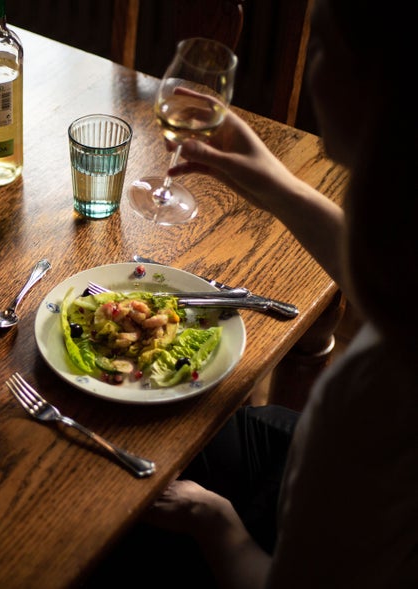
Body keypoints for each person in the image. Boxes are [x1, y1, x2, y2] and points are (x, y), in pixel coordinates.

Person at [88, 0, 418, 587]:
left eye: (320, 46)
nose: (311, 64)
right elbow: (392, 280)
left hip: (271, 543)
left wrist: (213, 521)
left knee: (102, 515)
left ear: (369, 91)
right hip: (308, 465)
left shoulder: (369, 403)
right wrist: (274, 183)